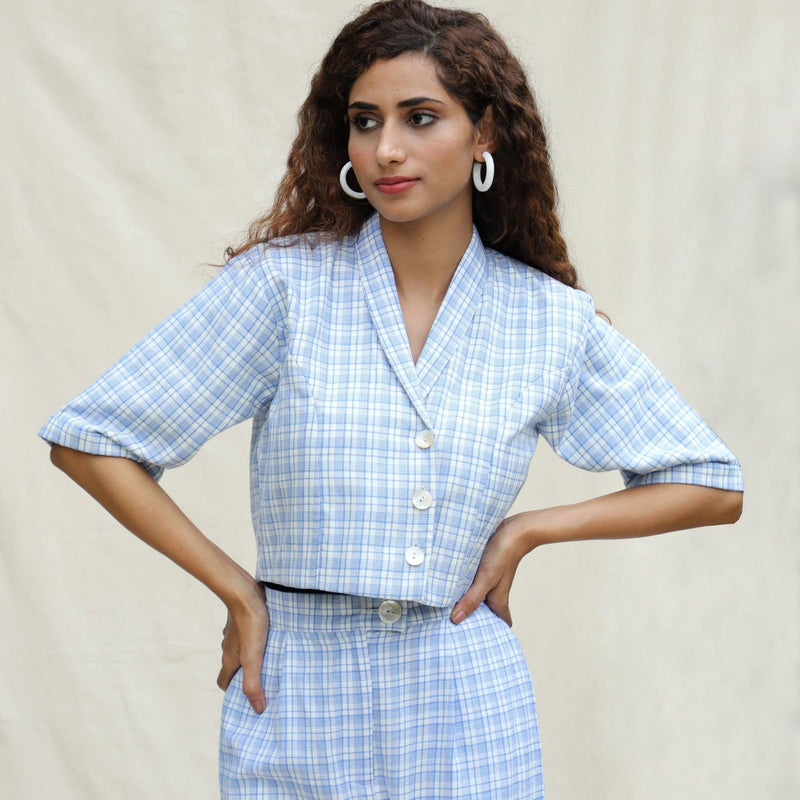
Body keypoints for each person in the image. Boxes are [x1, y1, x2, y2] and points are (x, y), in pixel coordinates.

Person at [39, 1, 743, 798]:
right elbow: (90, 438)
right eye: (365, 121)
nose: (388, 149)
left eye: (420, 117)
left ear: (484, 134)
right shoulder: (285, 288)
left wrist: (529, 531)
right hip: (297, 691)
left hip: (464, 700)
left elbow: (713, 483)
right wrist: (237, 589)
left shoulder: (546, 321)